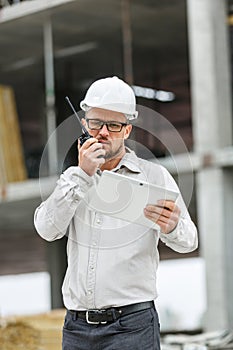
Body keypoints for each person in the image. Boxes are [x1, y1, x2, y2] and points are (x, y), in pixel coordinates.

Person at [34, 76, 198, 350]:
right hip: (76, 328)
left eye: (114, 125)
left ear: (127, 130)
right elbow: (46, 229)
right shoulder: (71, 180)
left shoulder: (154, 176)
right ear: (85, 124)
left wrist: (171, 227)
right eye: (97, 123)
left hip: (132, 327)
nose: (103, 132)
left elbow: (189, 240)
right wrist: (82, 174)